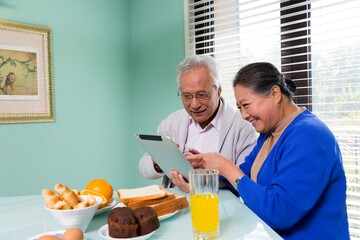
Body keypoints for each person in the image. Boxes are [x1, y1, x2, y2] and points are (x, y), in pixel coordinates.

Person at [183, 62, 350, 239]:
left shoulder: (309, 135)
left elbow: (280, 213)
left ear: (275, 94)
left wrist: (224, 166)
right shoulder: (270, 133)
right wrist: (204, 177)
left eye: (246, 105)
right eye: (239, 108)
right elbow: (244, 175)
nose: (244, 115)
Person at [138, 55, 258, 192]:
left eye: (202, 95)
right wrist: (159, 162)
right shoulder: (171, 122)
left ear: (219, 90)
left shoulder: (243, 126)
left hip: (219, 205)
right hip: (177, 206)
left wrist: (205, 176)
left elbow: (246, 179)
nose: (194, 105)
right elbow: (144, 167)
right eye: (187, 96)